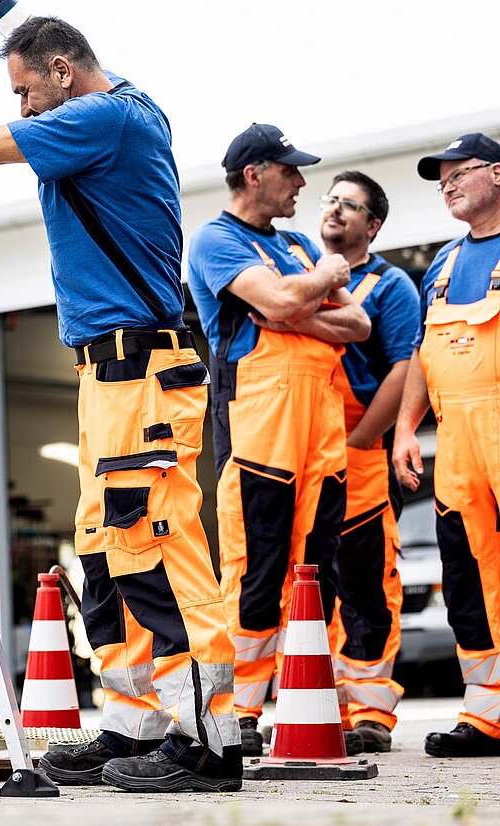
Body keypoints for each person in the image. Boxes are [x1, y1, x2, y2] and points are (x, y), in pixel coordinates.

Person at [0, 4, 243, 793]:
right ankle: (134, 721)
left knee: (156, 544)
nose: (19, 109)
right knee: (104, 547)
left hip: (142, 373)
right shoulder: (96, 104)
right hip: (108, 374)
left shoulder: (107, 116)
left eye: (24, 91)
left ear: (62, 74)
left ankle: (207, 743)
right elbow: (41, 39)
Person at [187, 124, 371, 757]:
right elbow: (277, 299)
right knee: (256, 566)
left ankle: (304, 700)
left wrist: (298, 309)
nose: (300, 183)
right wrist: (317, 284)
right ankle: (237, 708)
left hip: (319, 415)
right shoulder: (215, 239)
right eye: (290, 171)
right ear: (254, 174)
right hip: (258, 418)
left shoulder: (294, 244)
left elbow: (358, 323)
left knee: (314, 563)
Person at [393, 132, 500, 758]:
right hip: (457, 438)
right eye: (442, 177)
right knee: (464, 577)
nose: (448, 183)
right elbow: (419, 354)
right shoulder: (443, 263)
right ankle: (487, 717)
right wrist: (408, 427)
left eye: (461, 171)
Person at [319, 171, 420, 752]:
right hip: (307, 451)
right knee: (313, 584)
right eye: (331, 199)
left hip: (359, 450)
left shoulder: (389, 287)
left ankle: (370, 715)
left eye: (350, 205)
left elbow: (403, 370)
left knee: (365, 584)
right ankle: (323, 702)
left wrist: (361, 443)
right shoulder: (304, 272)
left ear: (372, 225)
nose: (334, 210)